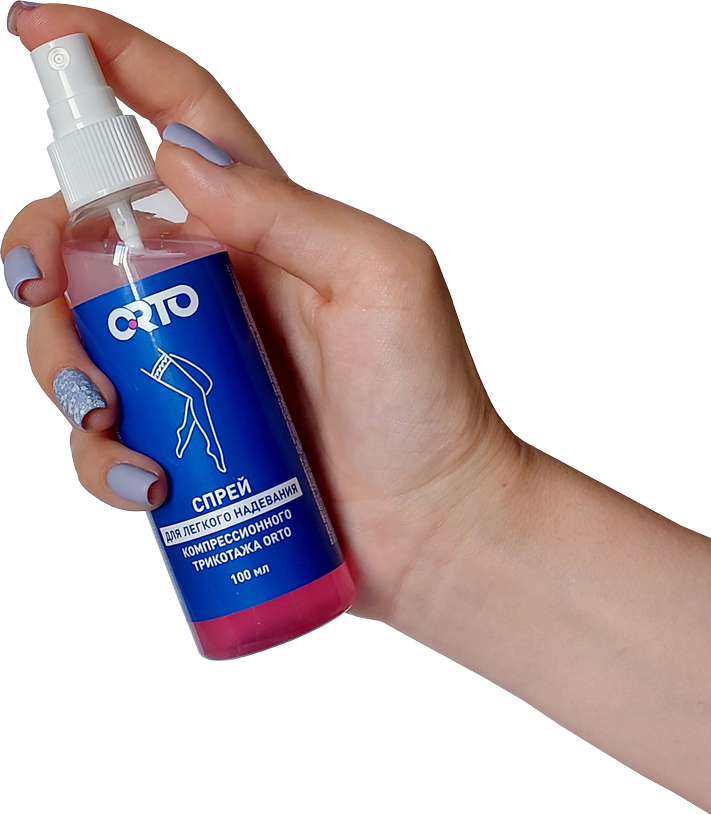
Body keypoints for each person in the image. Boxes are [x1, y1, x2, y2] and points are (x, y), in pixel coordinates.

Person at [3, 2, 711, 810]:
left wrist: (456, 504)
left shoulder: (170, 219)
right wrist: (452, 525)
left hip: (293, 509)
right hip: (240, 532)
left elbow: (191, 381)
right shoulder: (90, 245)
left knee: (199, 413)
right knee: (188, 415)